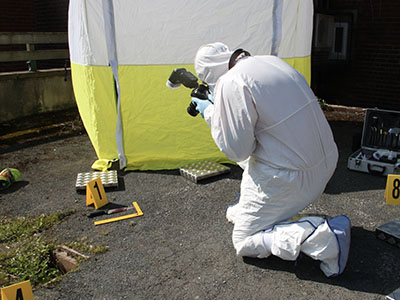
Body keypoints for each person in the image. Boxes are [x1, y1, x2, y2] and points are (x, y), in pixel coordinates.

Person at [191, 42, 350, 277]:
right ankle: (261, 210)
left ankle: (322, 238)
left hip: (293, 180)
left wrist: (210, 113)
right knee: (256, 160)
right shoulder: (274, 62)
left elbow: (237, 150)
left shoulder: (230, 81)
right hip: (325, 163)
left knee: (244, 240)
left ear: (212, 77)